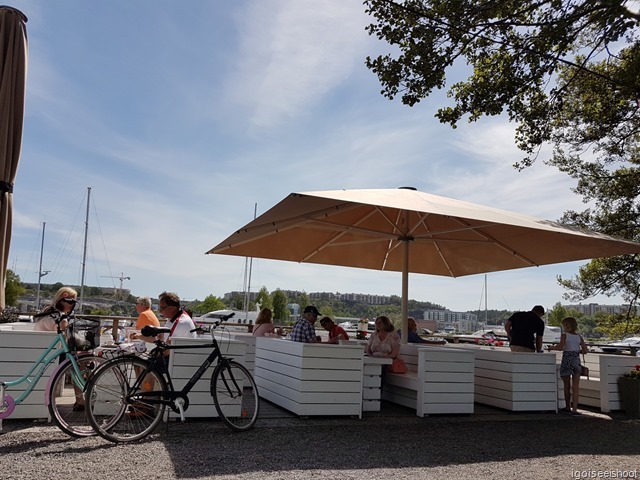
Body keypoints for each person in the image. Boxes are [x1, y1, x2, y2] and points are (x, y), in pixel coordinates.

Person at [548, 317, 588, 415]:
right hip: (576, 360)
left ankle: (567, 407)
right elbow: (585, 350)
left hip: (567, 360)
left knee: (567, 385)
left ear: (566, 325)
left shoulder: (564, 335)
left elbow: (560, 347)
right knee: (576, 386)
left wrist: (551, 347)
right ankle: (575, 409)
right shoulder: (579, 337)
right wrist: (576, 350)